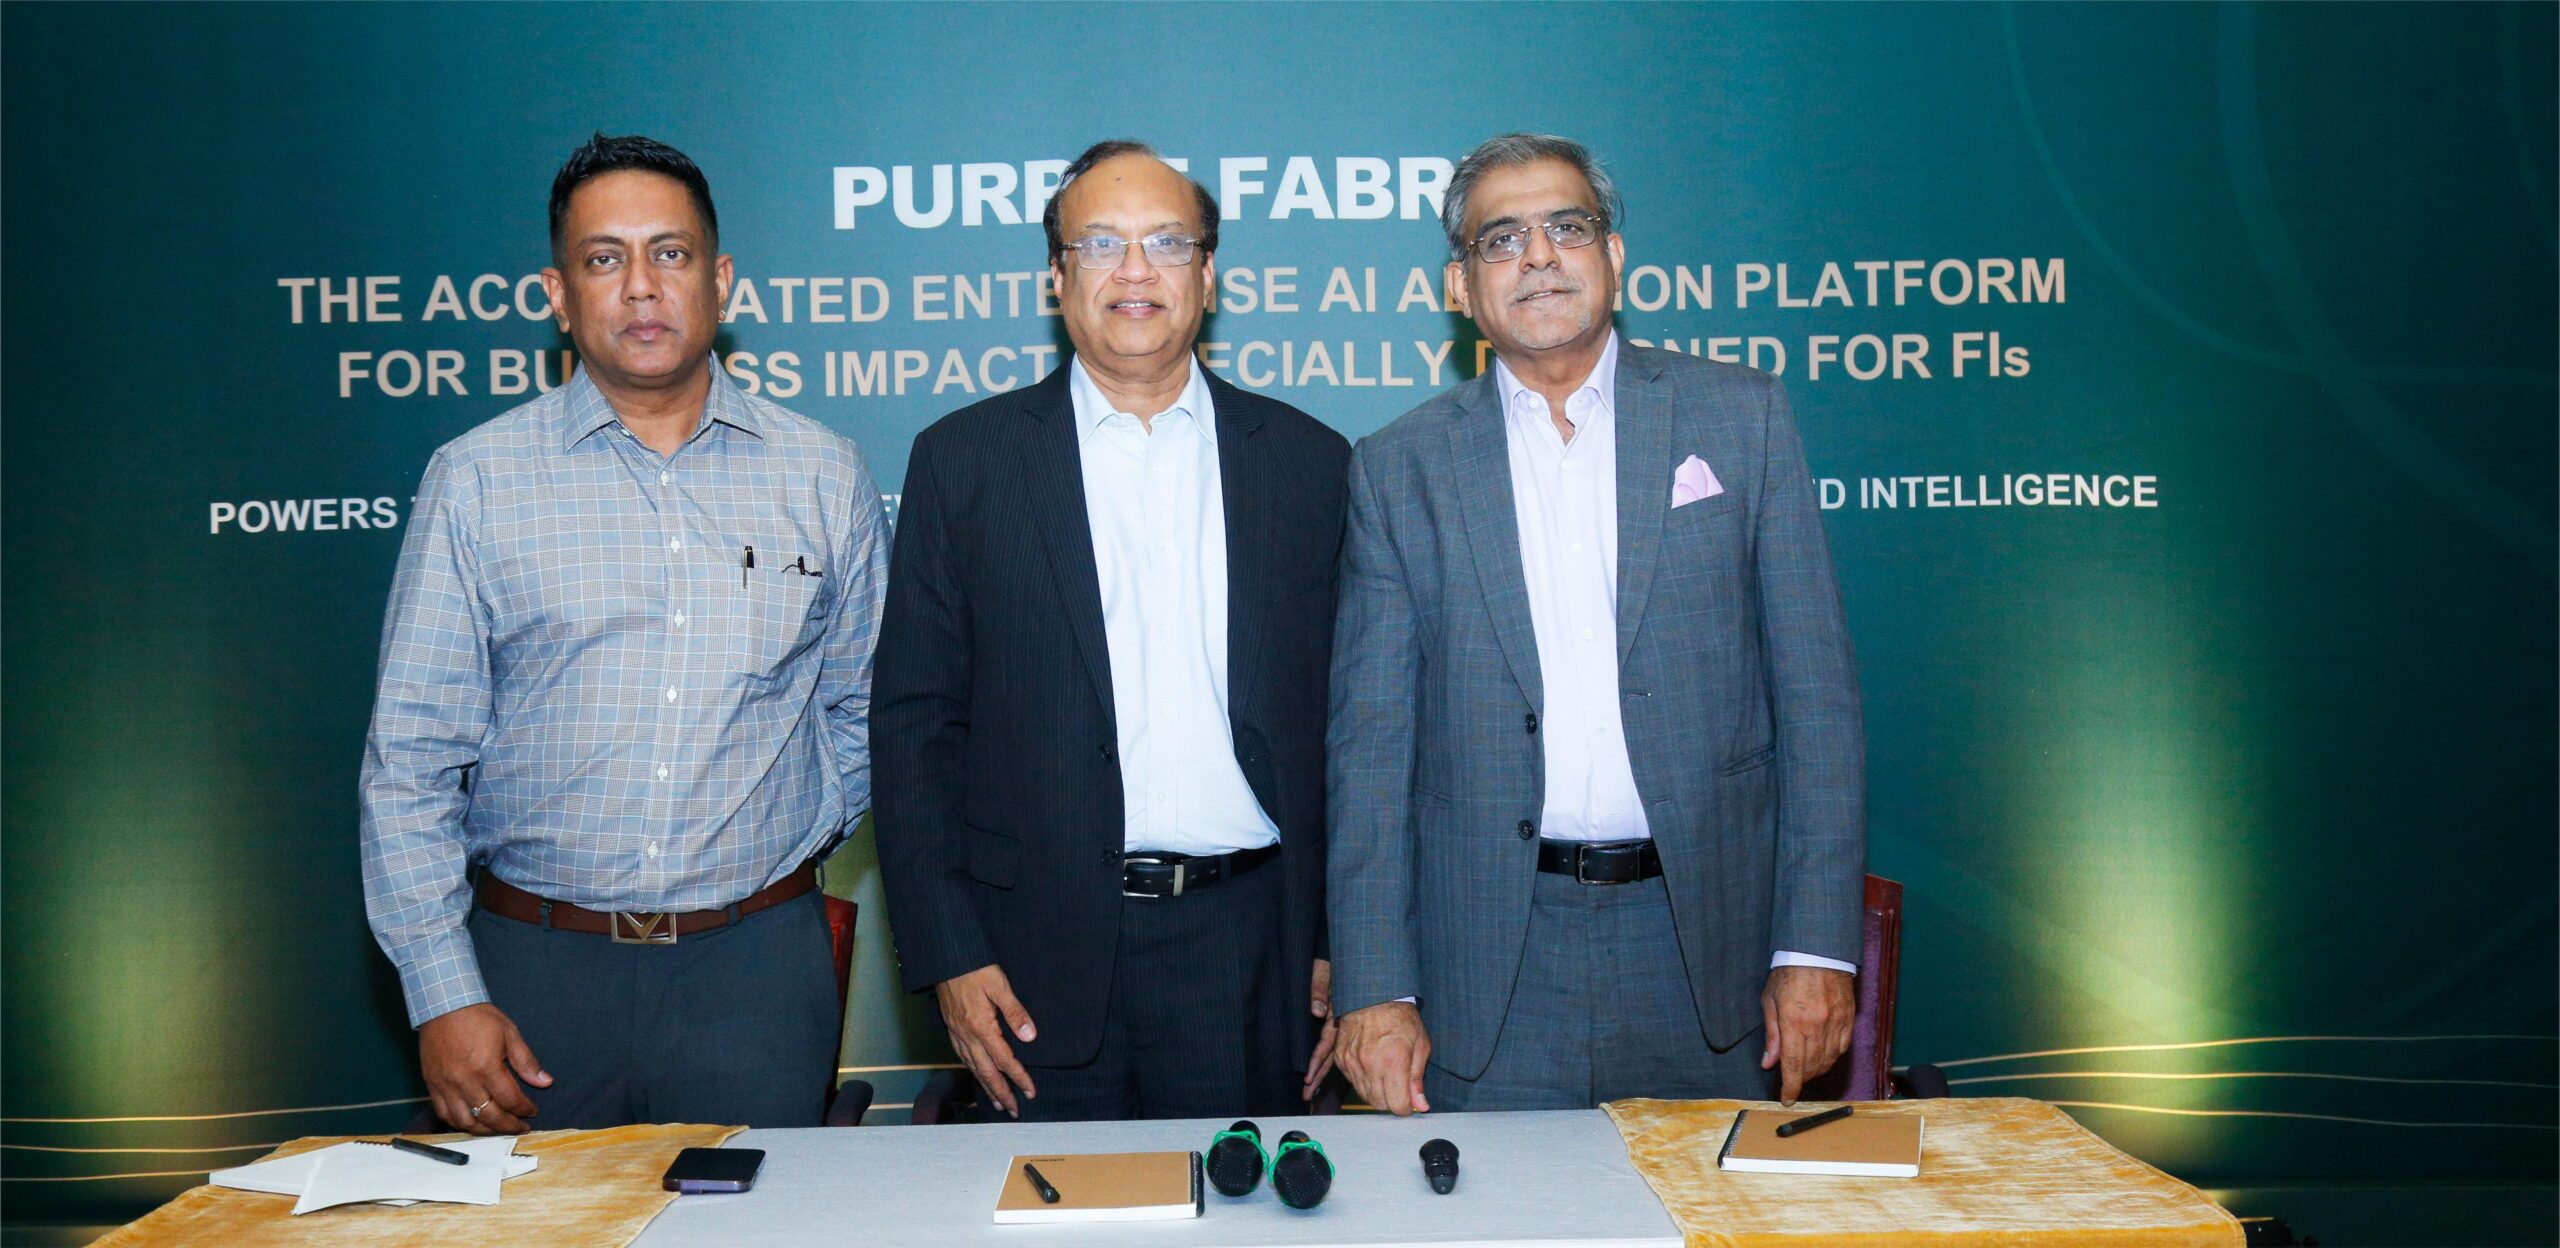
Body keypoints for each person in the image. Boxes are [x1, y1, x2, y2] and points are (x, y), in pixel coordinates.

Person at [360, 133, 889, 1133]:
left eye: (670, 253)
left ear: (719, 281)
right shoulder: (477, 481)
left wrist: (775, 843)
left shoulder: (824, 473)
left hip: (756, 973)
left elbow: (864, 712)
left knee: (766, 1214)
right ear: (558, 296)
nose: (640, 286)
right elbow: (411, 763)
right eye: (604, 259)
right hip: (532, 976)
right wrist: (442, 992)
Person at [1327, 133, 1865, 1115]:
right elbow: (1371, 753)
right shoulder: (1399, 468)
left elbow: (1816, 704)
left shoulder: (1741, 417)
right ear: (1460, 286)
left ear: (1612, 256)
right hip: (1490, 967)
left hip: (1710, 954)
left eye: (1566, 228)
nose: (1538, 256)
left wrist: (1815, 947)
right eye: (1501, 239)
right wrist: (1374, 986)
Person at [873, 140, 1349, 1122]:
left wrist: (1349, 940)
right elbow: (914, 730)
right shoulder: (963, 463)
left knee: (1246, 1205)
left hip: (1254, 953)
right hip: (1028, 960)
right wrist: (950, 955)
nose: (1135, 271)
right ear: (1057, 278)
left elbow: (1357, 729)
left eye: (1166, 243)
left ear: (1208, 275)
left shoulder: (1311, 464)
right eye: (1101, 244)